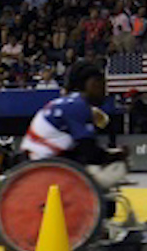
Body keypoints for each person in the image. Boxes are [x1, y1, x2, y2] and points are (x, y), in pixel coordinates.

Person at [22, 59, 128, 190]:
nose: (105, 92)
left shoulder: (70, 102)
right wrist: (114, 156)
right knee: (115, 168)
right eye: (103, 85)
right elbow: (89, 153)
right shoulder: (78, 106)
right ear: (92, 84)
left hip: (43, 161)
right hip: (43, 168)